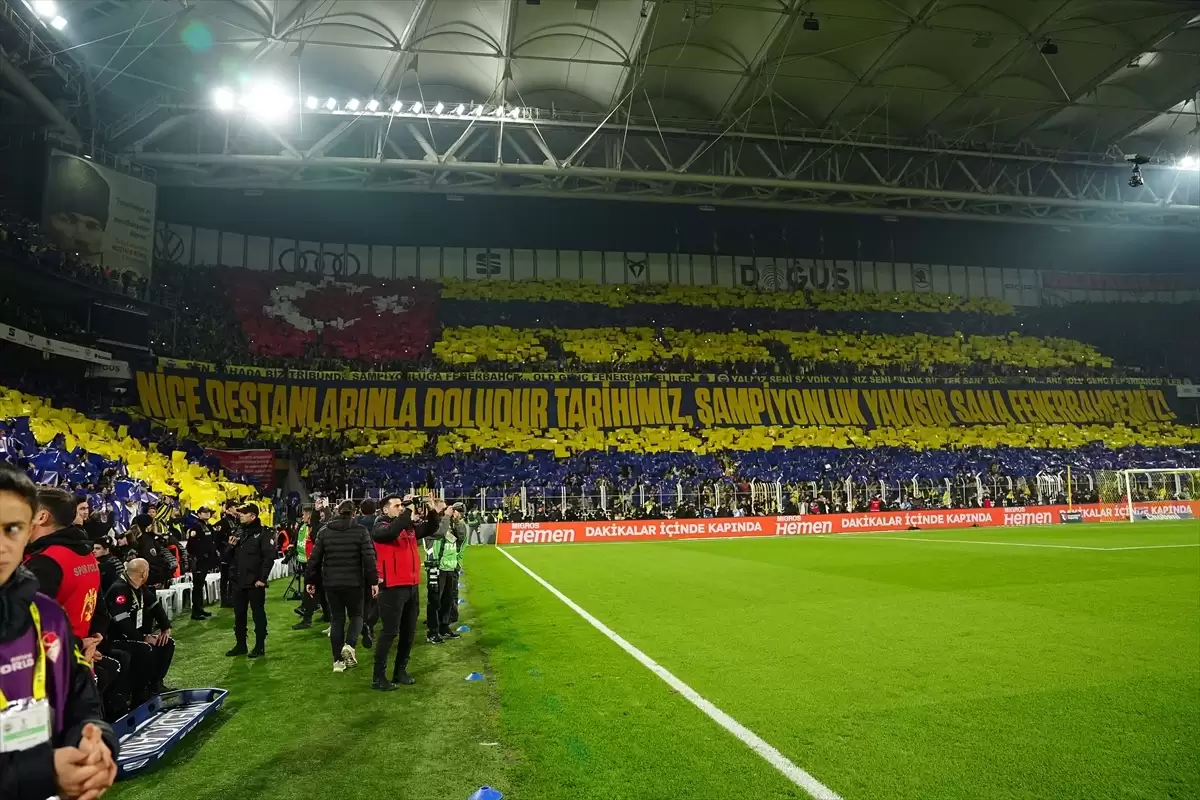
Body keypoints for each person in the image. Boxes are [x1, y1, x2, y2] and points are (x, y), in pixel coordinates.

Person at [0, 464, 119, 800]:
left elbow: (80, 700)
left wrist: (94, 741)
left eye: (12, 527)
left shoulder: (46, 613)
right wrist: (44, 773)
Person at [371, 492, 442, 690]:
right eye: (397, 506)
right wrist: (408, 511)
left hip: (411, 585)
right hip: (392, 588)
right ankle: (378, 677)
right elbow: (392, 532)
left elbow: (431, 528)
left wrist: (431, 509)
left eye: (402, 505)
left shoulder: (406, 526)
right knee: (389, 633)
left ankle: (400, 671)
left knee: (409, 632)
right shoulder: (380, 526)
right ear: (385, 510)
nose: (401, 508)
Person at [305, 500, 377, 674]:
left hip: (331, 583)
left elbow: (315, 559)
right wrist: (373, 581)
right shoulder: (361, 531)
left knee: (337, 619)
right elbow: (369, 559)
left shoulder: (324, 531)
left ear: (337, 512)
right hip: (355, 582)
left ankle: (337, 662)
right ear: (354, 513)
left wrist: (311, 581)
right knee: (357, 615)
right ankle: (350, 645)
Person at [103, 558, 174, 705]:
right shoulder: (119, 589)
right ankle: (139, 693)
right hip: (117, 639)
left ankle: (155, 684)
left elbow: (154, 605)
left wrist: (165, 627)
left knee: (167, 643)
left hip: (135, 636)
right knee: (146, 649)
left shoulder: (139, 586)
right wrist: (143, 637)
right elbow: (122, 622)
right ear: (144, 574)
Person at [225, 504, 275, 658]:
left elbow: (269, 558)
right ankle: (241, 645)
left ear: (253, 516)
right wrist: (230, 546)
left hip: (254, 583)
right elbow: (225, 558)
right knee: (239, 615)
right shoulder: (237, 532)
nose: (240, 515)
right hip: (238, 582)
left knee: (258, 615)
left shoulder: (264, 533)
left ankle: (260, 646)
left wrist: (262, 579)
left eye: (243, 513)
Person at [428, 503, 466, 643]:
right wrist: (445, 517)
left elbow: (460, 538)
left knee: (447, 600)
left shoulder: (451, 524)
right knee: (435, 601)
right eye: (444, 508)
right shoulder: (434, 524)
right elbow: (439, 533)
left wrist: (457, 520)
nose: (448, 510)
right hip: (437, 566)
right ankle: (432, 632)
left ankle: (444, 627)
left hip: (450, 566)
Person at [184, 507, 218, 621]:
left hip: (205, 560)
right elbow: (191, 545)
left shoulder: (207, 526)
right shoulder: (196, 526)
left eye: (208, 512)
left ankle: (200, 608)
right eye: (204, 512)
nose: (207, 514)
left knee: (200, 585)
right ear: (198, 514)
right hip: (198, 560)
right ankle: (195, 612)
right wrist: (197, 555)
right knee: (197, 586)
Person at [354, 498, 380, 648]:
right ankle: (369, 624)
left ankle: (362, 623)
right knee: (376, 596)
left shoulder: (355, 522)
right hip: (375, 559)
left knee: (362, 597)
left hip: (358, 562)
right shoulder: (378, 521)